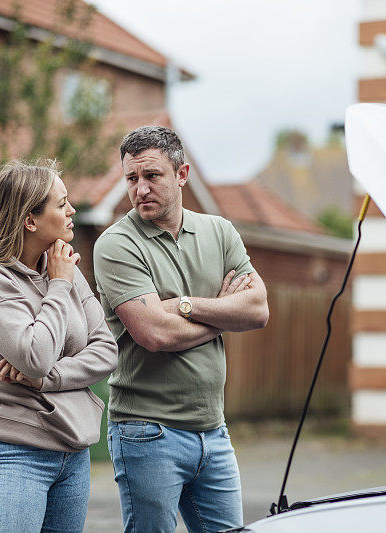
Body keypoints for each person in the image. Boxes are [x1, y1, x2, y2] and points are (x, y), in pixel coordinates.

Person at [93, 126, 269, 532]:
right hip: (147, 431)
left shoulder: (219, 231)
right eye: (132, 179)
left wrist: (186, 307)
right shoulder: (117, 244)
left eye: (152, 176)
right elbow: (156, 335)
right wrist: (223, 318)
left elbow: (257, 310)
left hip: (214, 429)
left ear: (182, 174)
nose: (140, 190)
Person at [0, 159, 118, 533]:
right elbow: (35, 355)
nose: (72, 210)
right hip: (12, 450)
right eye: (61, 204)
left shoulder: (61, 266)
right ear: (30, 220)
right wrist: (59, 286)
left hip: (72, 450)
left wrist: (46, 380)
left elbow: (106, 350)